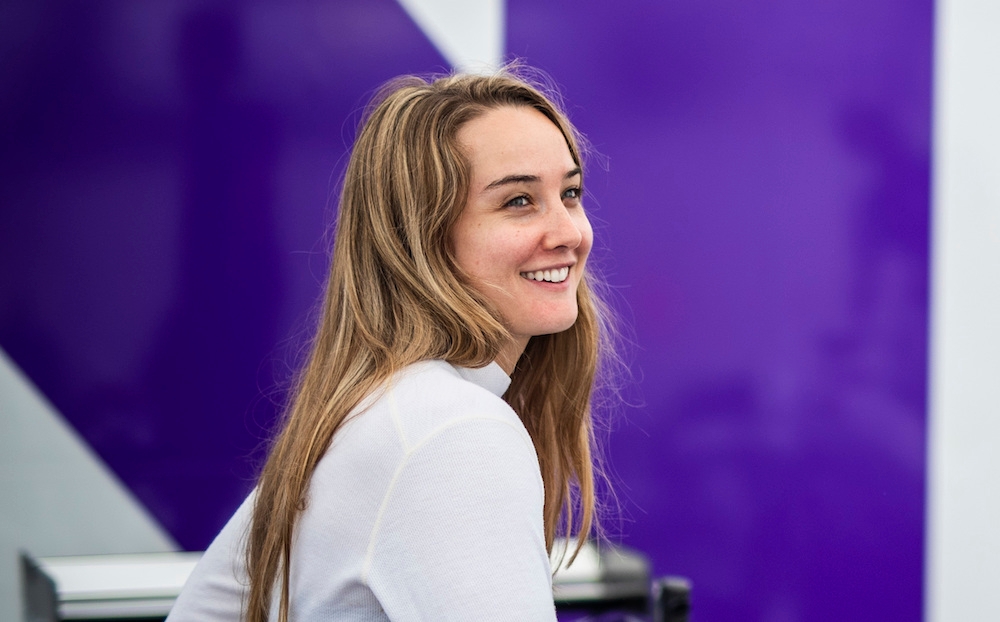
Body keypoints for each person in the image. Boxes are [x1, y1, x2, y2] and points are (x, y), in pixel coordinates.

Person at [167, 66, 616, 622]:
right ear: (420, 239)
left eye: (569, 193)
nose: (570, 232)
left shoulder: (393, 412)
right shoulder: (452, 430)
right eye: (518, 201)